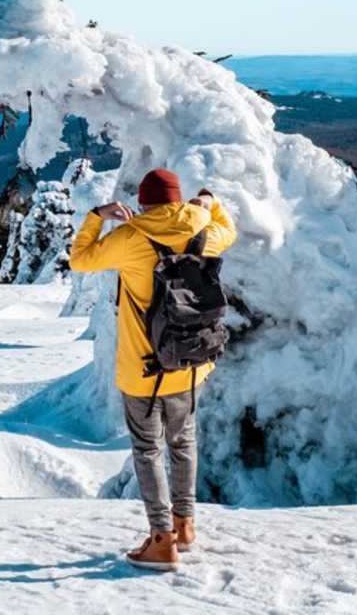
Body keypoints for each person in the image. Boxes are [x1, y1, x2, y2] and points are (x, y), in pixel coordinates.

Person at [68, 167, 237, 571]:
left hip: (142, 368)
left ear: (143, 202)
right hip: (191, 364)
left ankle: (161, 540)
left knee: (148, 450)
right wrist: (208, 202)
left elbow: (80, 260)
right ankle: (185, 525)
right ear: (178, 200)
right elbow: (226, 227)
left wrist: (97, 216)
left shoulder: (130, 237)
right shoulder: (203, 232)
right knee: (183, 444)